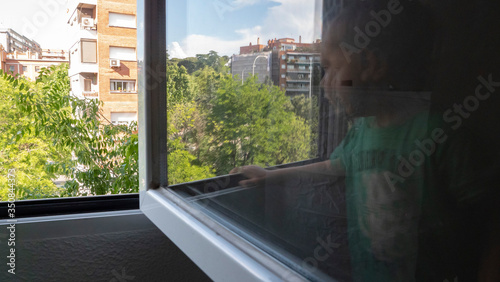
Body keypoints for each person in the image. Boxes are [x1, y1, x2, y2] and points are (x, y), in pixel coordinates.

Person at [232, 1, 499, 281]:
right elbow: (334, 166)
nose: (324, 84)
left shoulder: (439, 134)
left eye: (333, 69)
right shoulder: (362, 130)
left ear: (371, 66)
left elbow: (489, 219)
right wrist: (272, 175)